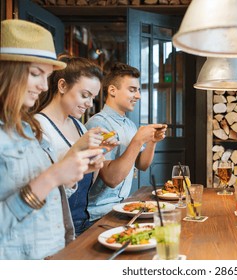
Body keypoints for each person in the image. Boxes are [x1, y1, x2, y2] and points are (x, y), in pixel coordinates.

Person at [0, 19, 103, 259]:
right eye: (36, 74)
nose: (43, 86)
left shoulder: (28, 128)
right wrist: (53, 176)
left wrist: (72, 175)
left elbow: (49, 201)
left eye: (46, 76)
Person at [33, 56, 117, 235]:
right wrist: (78, 148)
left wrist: (100, 151)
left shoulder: (78, 125)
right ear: (62, 86)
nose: (89, 103)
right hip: (55, 229)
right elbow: (42, 193)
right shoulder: (38, 126)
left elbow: (86, 182)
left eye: (92, 98)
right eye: (85, 95)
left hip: (82, 221)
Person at [85, 62, 167, 221]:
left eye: (138, 90)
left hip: (123, 206)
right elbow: (111, 179)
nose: (138, 96)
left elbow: (142, 165)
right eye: (132, 90)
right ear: (112, 91)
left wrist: (152, 141)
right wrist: (138, 140)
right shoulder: (97, 124)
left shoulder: (129, 124)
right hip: (98, 215)